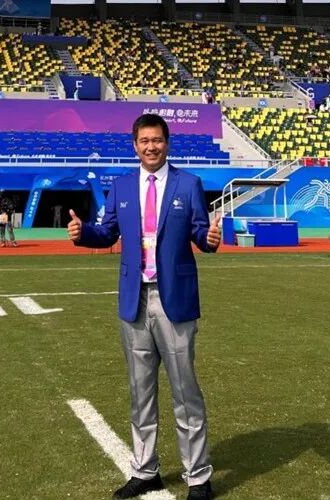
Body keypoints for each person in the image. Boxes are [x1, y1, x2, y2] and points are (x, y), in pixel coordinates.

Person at [68, 114, 220, 500]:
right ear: (134, 145)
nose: (151, 147)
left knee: (185, 391)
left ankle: (198, 476)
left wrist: (210, 238)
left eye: (157, 140)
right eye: (144, 141)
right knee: (140, 392)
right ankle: (145, 470)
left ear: (167, 143)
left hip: (175, 301)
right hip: (134, 300)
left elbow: (200, 232)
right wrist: (83, 234)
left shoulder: (189, 183)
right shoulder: (121, 186)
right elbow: (107, 232)